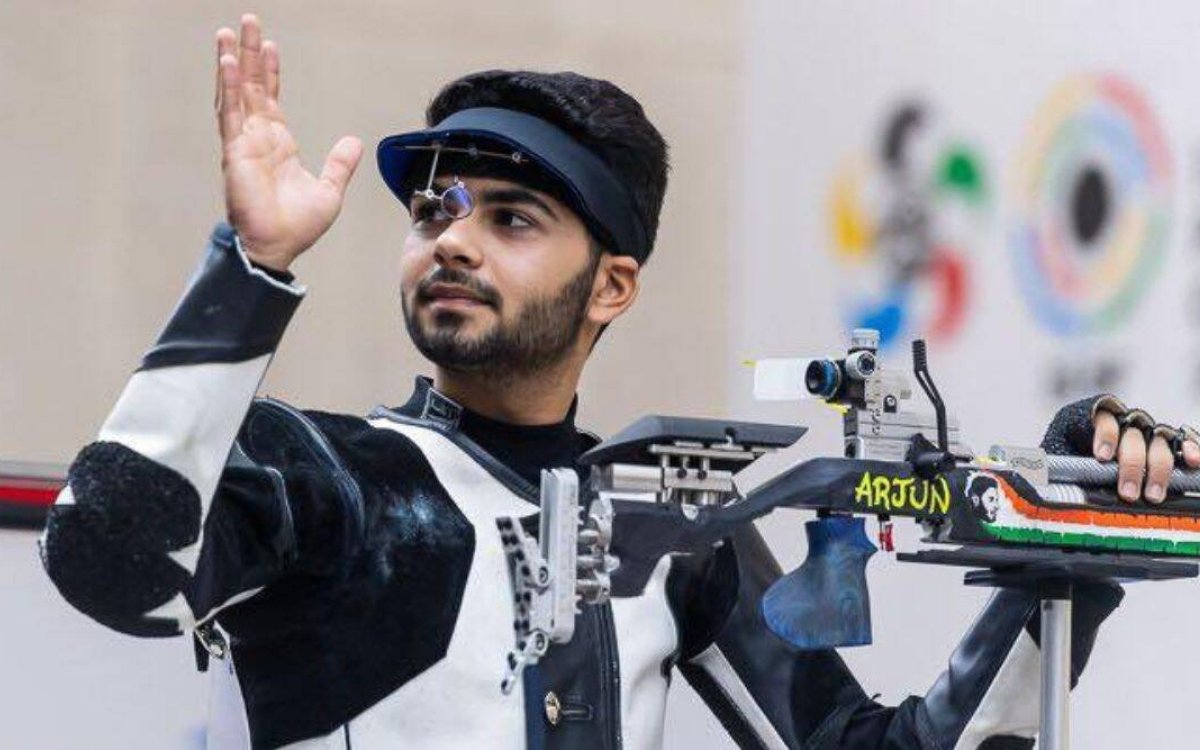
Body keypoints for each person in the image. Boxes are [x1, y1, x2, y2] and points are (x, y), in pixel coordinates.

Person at [38, 14, 1200, 750]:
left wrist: (1072, 532)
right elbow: (106, 559)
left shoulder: (674, 527)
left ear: (613, 286)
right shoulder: (322, 473)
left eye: (512, 218)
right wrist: (252, 269)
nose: (451, 239)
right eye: (433, 209)